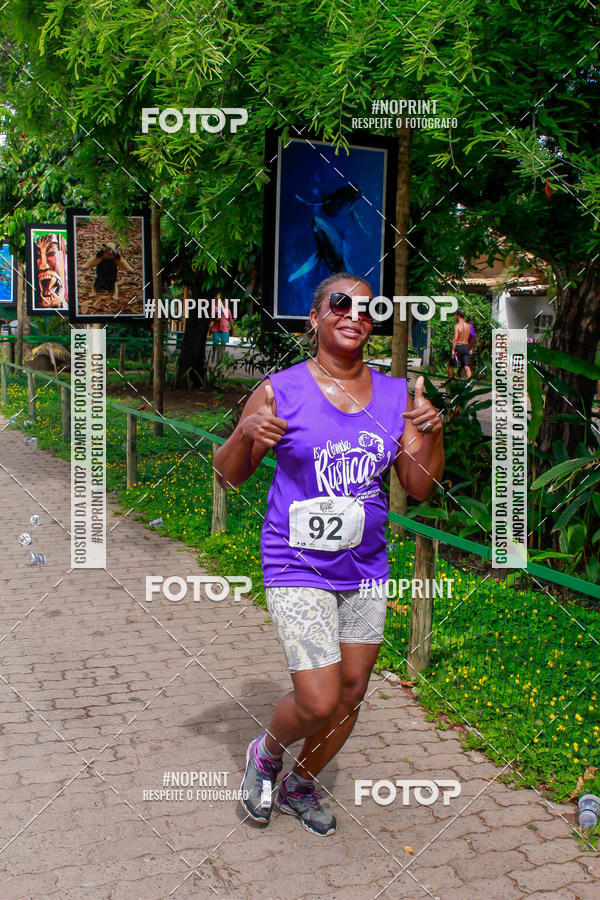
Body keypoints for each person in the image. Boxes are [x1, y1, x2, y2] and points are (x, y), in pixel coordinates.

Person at [214, 272, 444, 837]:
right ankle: (267, 756)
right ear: (315, 317)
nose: (354, 315)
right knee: (318, 699)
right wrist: (245, 432)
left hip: (364, 569)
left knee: (352, 692)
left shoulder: (400, 396)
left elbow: (418, 487)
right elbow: (227, 473)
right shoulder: (279, 389)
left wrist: (432, 432)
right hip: (297, 564)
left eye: (369, 309)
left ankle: (300, 783)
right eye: (340, 304)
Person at [209, 297, 235, 364]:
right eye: (223, 302)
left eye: (225, 302)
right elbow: (211, 319)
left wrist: (233, 330)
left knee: (223, 345)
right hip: (216, 330)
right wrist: (215, 319)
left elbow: (230, 321)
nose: (224, 303)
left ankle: (221, 360)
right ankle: (213, 355)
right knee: (215, 344)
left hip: (225, 331)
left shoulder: (228, 310)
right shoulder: (216, 309)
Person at [448, 309, 472, 378]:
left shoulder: (457, 326)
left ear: (458, 315)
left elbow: (455, 338)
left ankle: (450, 381)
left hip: (458, 346)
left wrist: (453, 350)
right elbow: (471, 337)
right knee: (466, 366)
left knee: (451, 366)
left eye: (455, 315)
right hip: (466, 346)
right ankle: (468, 383)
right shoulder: (468, 326)